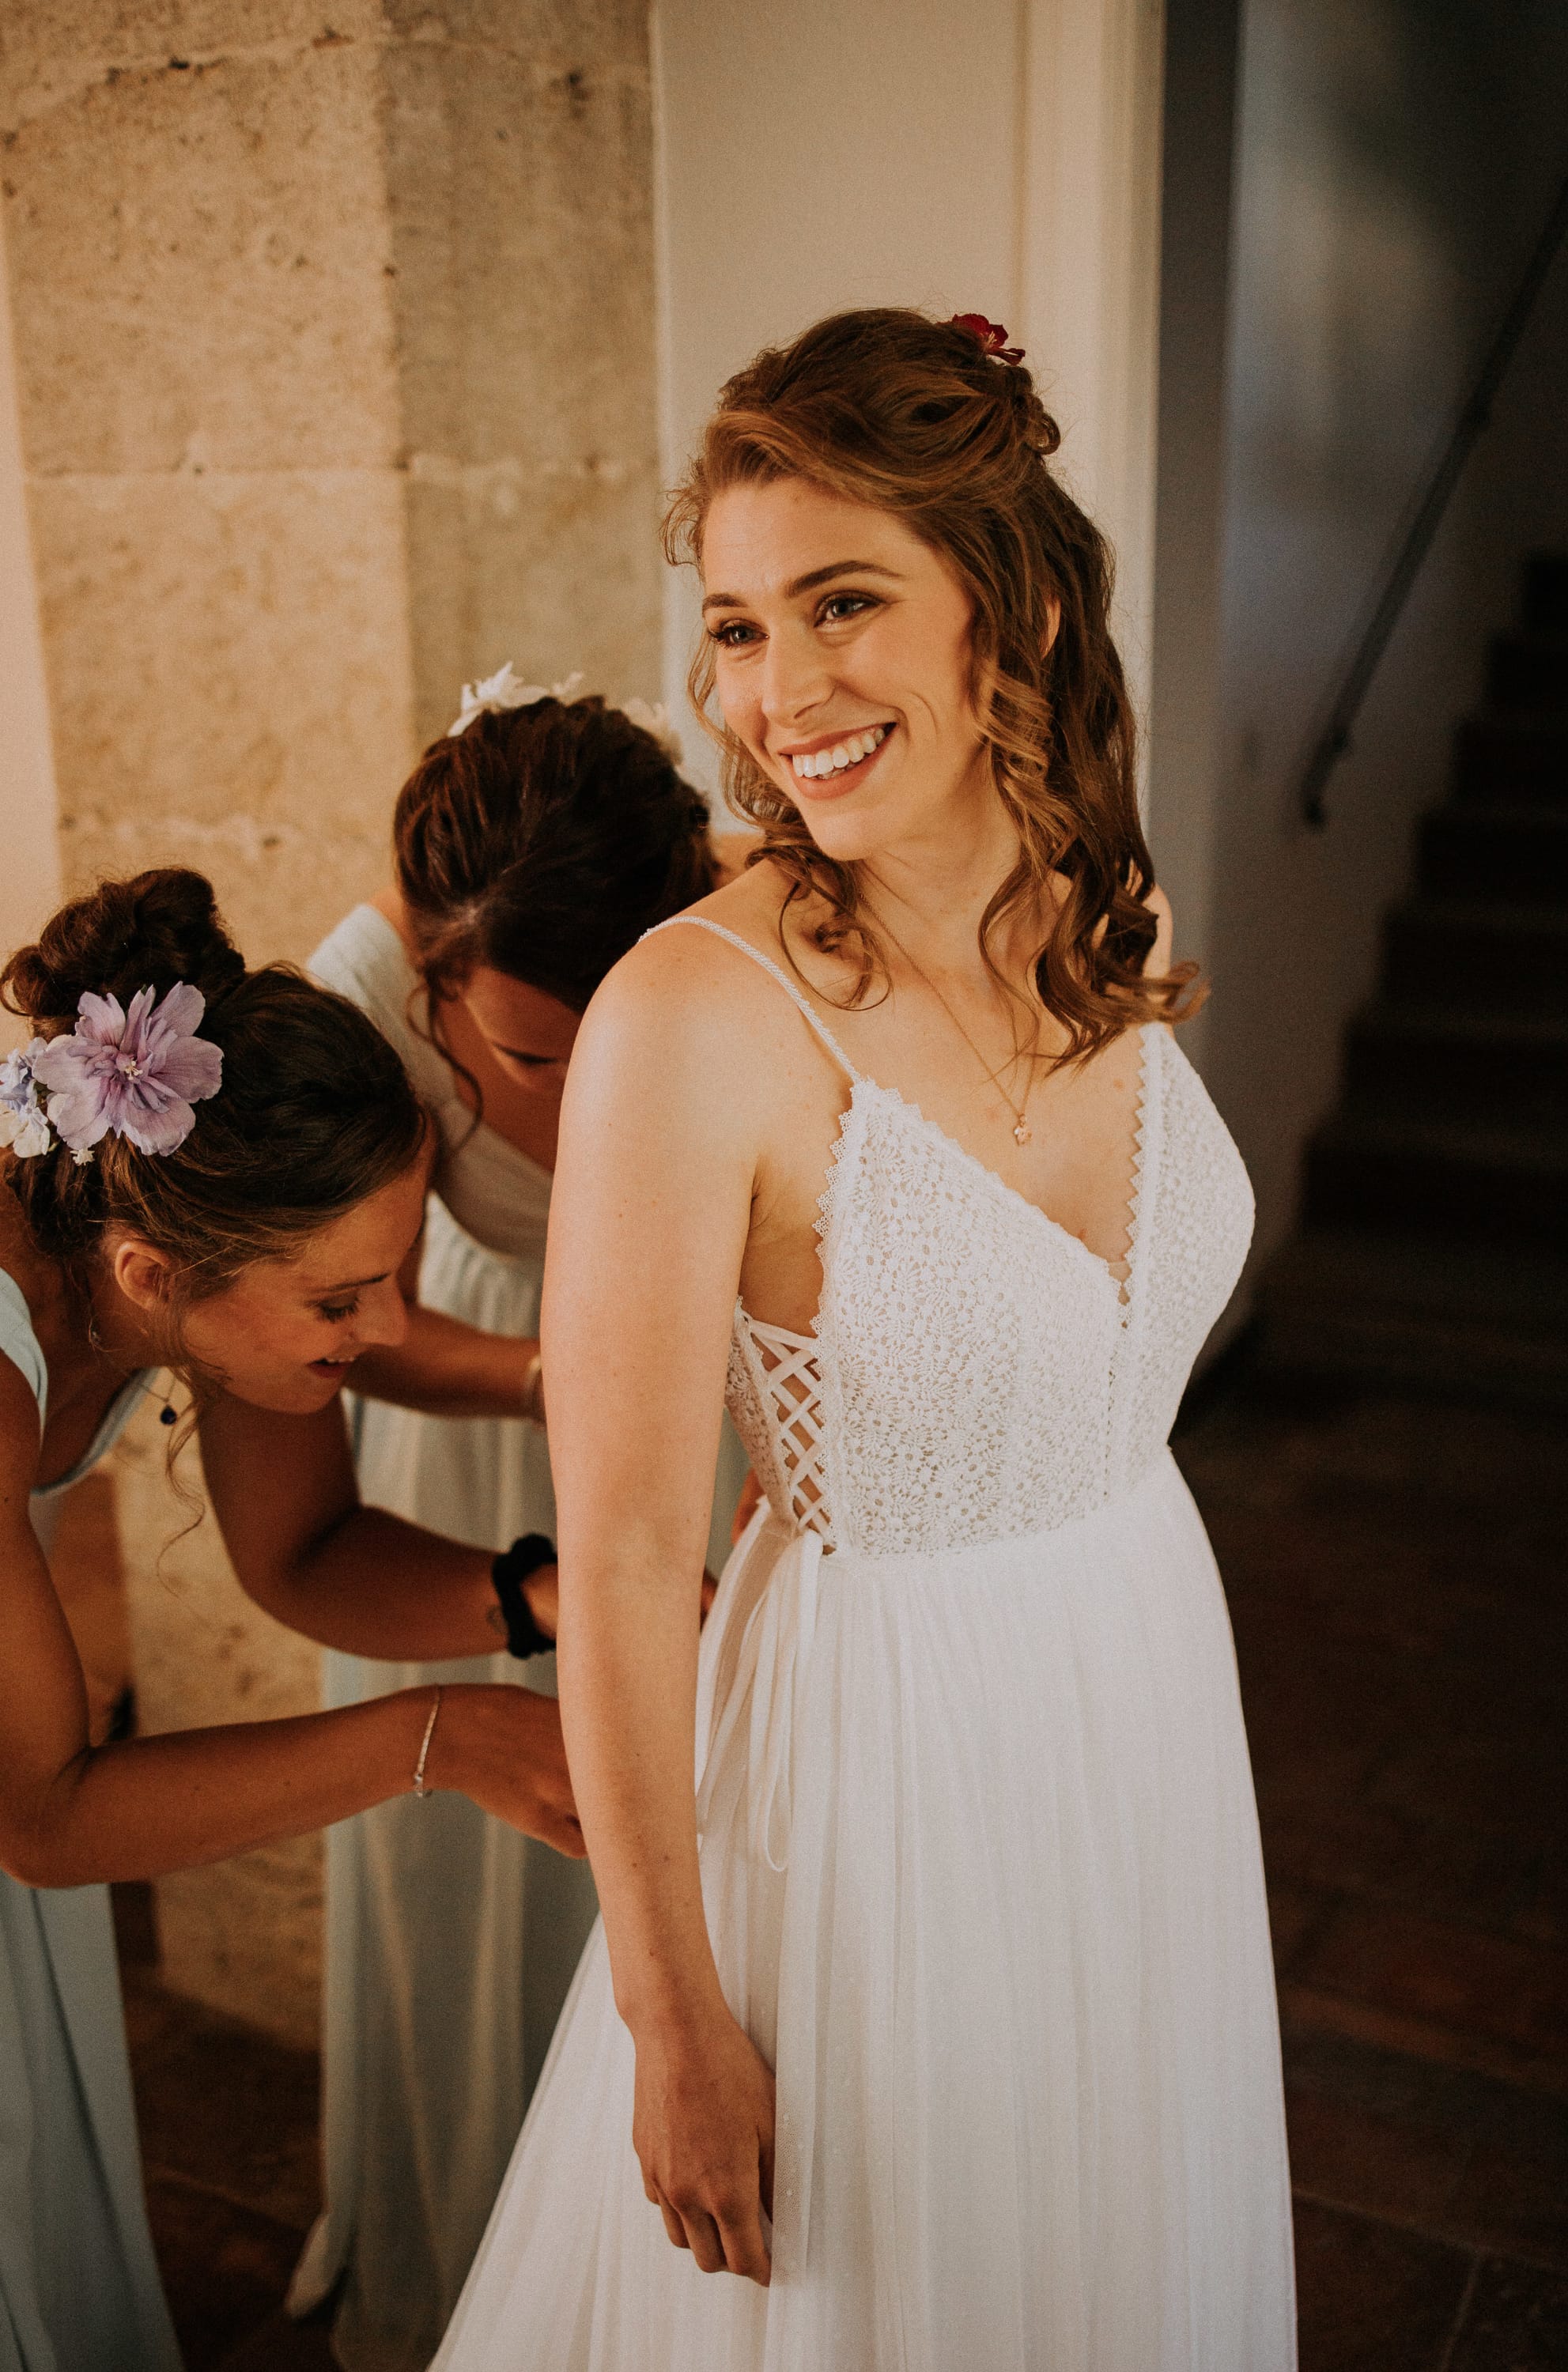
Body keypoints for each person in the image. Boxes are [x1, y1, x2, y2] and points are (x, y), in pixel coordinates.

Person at [434, 310, 1297, 2370]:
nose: (779, 694)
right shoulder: (690, 1020)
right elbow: (621, 1561)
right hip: (878, 1773)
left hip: (1141, 1687)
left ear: (1011, 605)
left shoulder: (1106, 914)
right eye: (738, 628)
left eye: (842, 603)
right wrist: (671, 2014)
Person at [0, 867, 582, 2372]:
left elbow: (305, 1553)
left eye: (387, 1280)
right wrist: (444, 1737)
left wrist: (533, 1595)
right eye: (340, 1304)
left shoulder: (168, 1215)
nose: (383, 1333)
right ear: (152, 1281)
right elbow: (45, 1818)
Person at [293, 682, 751, 2369]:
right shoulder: (362, 998)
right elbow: (357, 1327)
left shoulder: (743, 929)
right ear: (434, 989)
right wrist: (577, 1376)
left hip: (705, 1418)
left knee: (706, 1840)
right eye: (534, 1058)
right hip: (487, 1440)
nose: (578, 1092)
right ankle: (471, 2252)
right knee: (481, 1862)